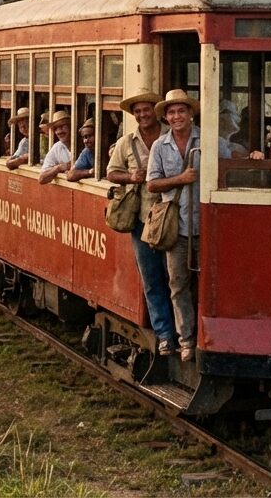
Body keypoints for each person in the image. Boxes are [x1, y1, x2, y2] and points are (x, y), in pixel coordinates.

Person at [146, 89, 244, 362]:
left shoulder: (210, 139)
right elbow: (152, 183)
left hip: (208, 225)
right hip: (175, 228)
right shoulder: (159, 146)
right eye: (172, 112)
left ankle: (209, 337)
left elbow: (230, 166)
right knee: (178, 285)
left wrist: (252, 157)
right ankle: (186, 339)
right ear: (166, 117)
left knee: (208, 283)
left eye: (181, 111)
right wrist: (181, 178)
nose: (177, 116)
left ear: (191, 114)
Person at [107, 89, 174, 355]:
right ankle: (165, 333)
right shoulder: (127, 142)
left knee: (175, 277)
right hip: (141, 220)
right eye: (137, 111)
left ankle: (182, 331)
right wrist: (130, 177)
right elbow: (112, 173)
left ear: (155, 111)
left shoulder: (171, 136)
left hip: (171, 217)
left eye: (146, 110)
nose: (142, 115)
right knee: (151, 277)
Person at [38, 110, 73, 184]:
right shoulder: (57, 147)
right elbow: (42, 179)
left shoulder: (83, 144)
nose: (59, 131)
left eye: (62, 126)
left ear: (71, 127)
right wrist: (58, 168)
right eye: (56, 128)